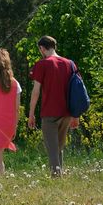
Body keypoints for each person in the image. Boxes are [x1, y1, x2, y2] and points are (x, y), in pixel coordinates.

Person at [27, 35, 77, 176]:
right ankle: (60, 174)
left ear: (42, 48)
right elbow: (76, 91)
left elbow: (36, 91)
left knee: (52, 148)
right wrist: (76, 114)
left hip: (49, 112)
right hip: (66, 112)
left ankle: (56, 176)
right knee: (59, 147)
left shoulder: (42, 64)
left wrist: (31, 114)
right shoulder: (69, 64)